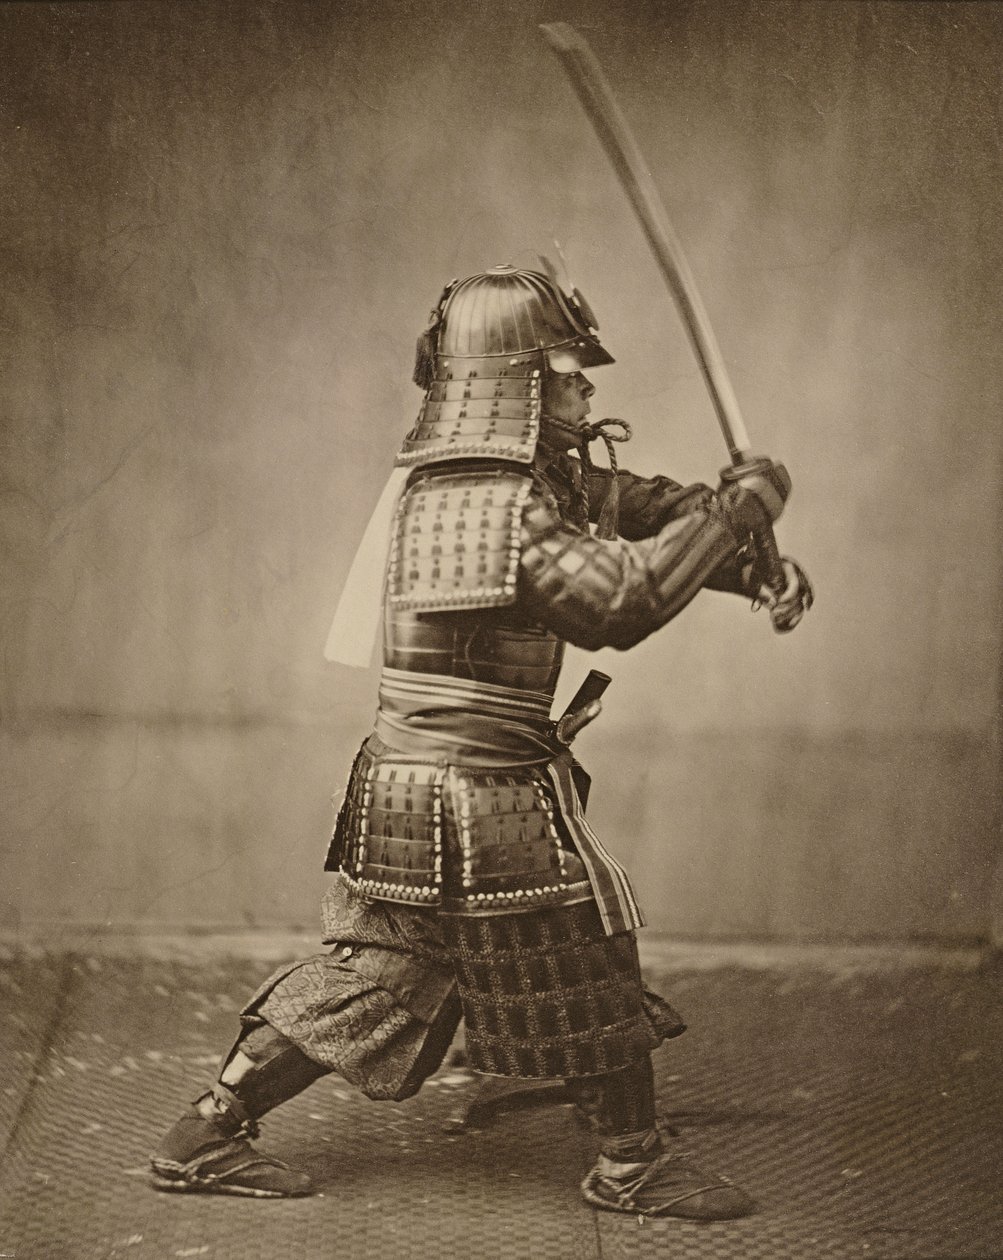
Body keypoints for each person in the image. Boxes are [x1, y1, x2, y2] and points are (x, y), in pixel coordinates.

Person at [150, 264, 812, 1217]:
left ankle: (204, 1134)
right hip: (470, 791)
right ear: (515, 382)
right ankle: (630, 1164)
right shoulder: (477, 499)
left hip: (437, 786)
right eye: (569, 376)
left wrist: (743, 560)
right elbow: (615, 604)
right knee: (584, 950)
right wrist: (737, 512)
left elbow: (647, 514)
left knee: (387, 978)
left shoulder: (536, 478)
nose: (586, 393)